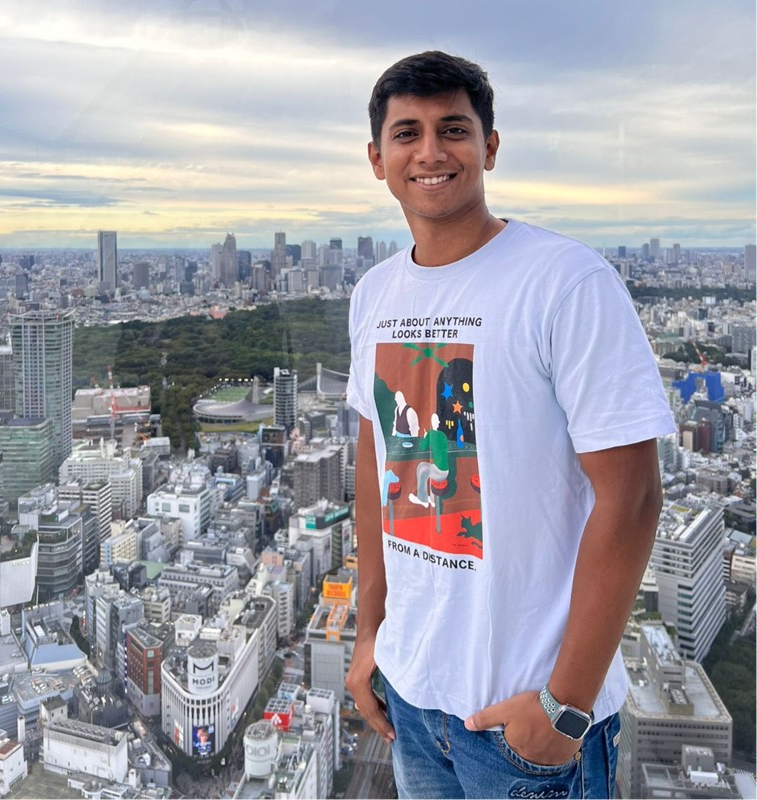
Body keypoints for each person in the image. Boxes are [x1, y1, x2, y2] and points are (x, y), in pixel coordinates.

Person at [345, 51, 676, 799]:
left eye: (453, 129)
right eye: (407, 134)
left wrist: (564, 707)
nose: (430, 152)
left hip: (524, 723)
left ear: (490, 146)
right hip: (413, 699)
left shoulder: (566, 281)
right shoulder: (373, 294)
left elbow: (633, 498)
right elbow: (376, 472)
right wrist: (370, 637)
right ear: (377, 159)